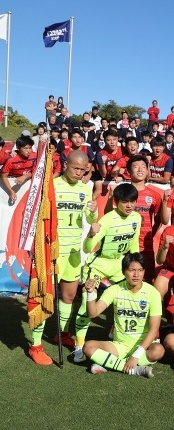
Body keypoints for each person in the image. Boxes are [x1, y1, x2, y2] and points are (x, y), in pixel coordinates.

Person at [28, 151, 99, 365]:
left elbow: (89, 218)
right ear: (66, 165)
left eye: (83, 170)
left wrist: (93, 212)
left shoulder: (85, 189)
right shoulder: (51, 186)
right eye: (75, 168)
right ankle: (35, 345)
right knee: (44, 296)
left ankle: (61, 333)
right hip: (52, 252)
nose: (79, 173)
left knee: (68, 297)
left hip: (74, 252)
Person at [73, 183, 142, 362]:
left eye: (132, 201)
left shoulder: (137, 218)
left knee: (127, 299)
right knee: (87, 302)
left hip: (119, 264)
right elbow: (87, 248)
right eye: (125, 202)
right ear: (115, 202)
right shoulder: (106, 220)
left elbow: (134, 244)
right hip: (97, 265)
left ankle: (117, 335)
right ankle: (79, 346)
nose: (129, 205)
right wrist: (89, 234)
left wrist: (136, 264)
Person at [82, 253, 164, 377]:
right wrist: (91, 293)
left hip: (142, 345)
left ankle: (111, 364)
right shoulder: (114, 290)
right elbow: (92, 313)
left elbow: (154, 329)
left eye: (140, 270)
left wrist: (136, 355)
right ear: (123, 271)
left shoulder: (153, 293)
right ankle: (135, 370)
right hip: (119, 346)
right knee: (88, 347)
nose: (136, 275)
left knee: (158, 350)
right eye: (131, 270)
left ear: (144, 271)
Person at [1, 135, 37, 204]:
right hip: (11, 184)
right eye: (25, 148)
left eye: (30, 148)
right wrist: (10, 191)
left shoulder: (35, 156)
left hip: (27, 187)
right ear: (18, 148)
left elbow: (37, 172)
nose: (29, 151)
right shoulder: (11, 160)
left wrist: (25, 176)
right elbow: (3, 176)